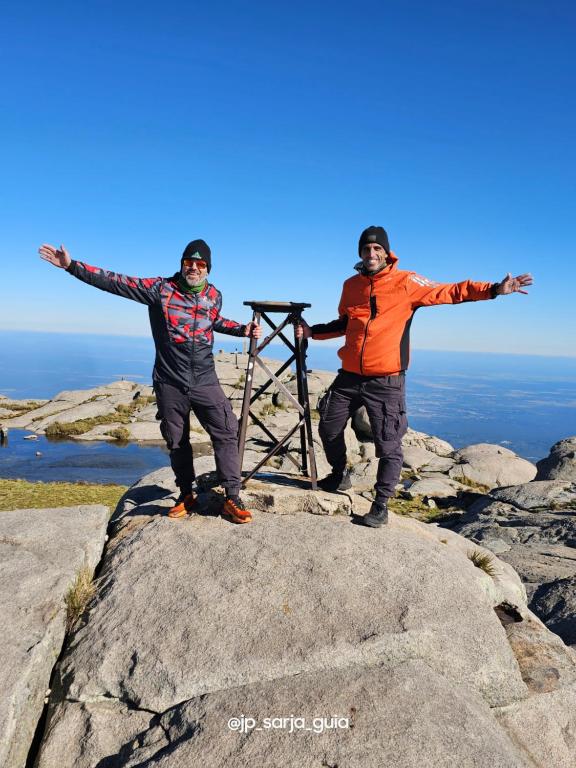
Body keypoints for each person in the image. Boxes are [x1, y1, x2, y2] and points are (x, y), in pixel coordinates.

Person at [297, 226, 532, 528]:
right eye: (366, 249)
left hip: (387, 379)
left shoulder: (406, 281)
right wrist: (313, 332)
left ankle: (380, 505)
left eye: (376, 249)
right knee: (328, 425)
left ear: (386, 252)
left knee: (389, 445)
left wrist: (494, 290)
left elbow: (450, 291)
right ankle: (339, 474)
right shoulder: (351, 285)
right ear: (360, 253)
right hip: (350, 375)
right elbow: (345, 323)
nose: (371, 254)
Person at [38, 240, 261, 524]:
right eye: (188, 263)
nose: (193, 268)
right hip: (170, 380)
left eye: (200, 264)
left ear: (208, 268)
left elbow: (213, 320)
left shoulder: (214, 295)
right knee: (177, 441)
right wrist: (71, 266)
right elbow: (114, 282)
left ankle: (232, 496)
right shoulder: (160, 289)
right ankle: (186, 495)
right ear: (181, 264)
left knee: (226, 433)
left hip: (205, 379)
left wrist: (243, 329)